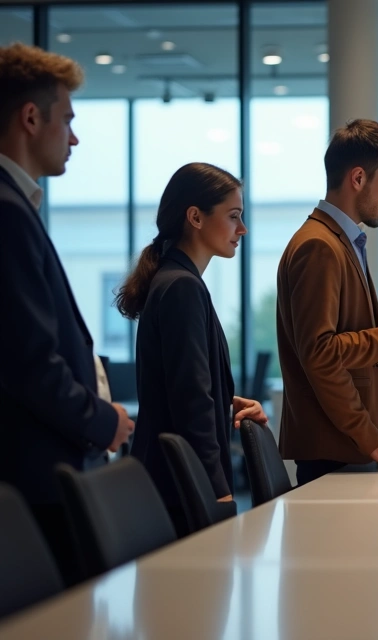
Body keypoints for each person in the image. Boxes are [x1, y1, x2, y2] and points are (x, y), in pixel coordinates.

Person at [0, 43, 135, 584]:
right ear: (32, 118)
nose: (74, 138)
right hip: (36, 478)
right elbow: (29, 362)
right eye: (69, 120)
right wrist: (103, 422)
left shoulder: (17, 205)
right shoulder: (7, 212)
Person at [277, 119, 378, 485]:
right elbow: (320, 353)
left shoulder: (340, 240)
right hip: (335, 448)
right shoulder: (319, 245)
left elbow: (337, 344)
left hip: (344, 446)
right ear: (357, 178)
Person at [118, 163, 268, 537]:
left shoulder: (177, 281)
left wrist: (226, 403)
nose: (242, 229)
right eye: (233, 216)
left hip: (171, 483)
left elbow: (185, 388)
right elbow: (190, 401)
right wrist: (217, 489)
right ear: (196, 217)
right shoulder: (181, 286)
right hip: (180, 489)